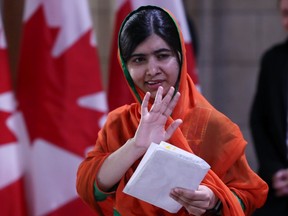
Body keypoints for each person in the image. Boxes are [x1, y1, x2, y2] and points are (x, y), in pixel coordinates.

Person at [77, 5, 268, 216]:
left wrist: (213, 199)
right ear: (125, 66)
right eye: (139, 59)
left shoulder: (216, 126)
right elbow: (91, 187)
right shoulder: (118, 122)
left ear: (180, 56)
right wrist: (136, 146)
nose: (152, 70)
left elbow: (249, 194)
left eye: (162, 55)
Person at [249, 0, 288, 215]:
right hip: (279, 184)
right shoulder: (273, 60)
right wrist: (274, 170)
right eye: (285, 14)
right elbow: (259, 120)